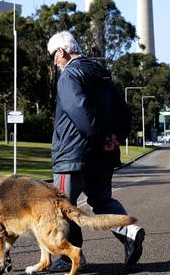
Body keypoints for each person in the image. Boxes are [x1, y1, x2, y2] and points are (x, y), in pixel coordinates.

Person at [46, 31, 145, 272]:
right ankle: (129, 231)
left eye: (53, 57)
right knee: (101, 199)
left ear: (62, 51)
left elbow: (80, 109)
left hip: (72, 154)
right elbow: (123, 111)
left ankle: (71, 258)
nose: (54, 62)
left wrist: (101, 136)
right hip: (102, 154)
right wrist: (113, 137)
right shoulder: (102, 73)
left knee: (63, 205)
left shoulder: (69, 75)